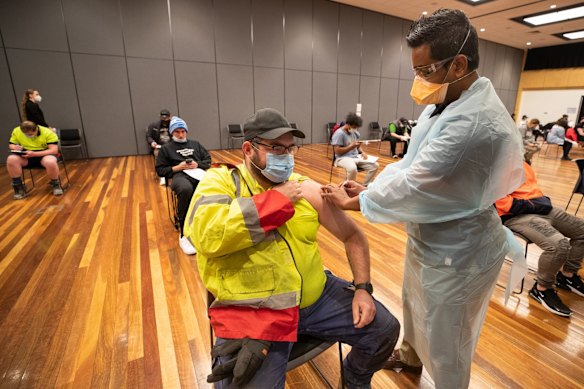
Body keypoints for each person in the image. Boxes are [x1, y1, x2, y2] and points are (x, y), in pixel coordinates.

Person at [321, 9, 524, 389]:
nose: (418, 80)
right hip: (431, 237)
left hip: (461, 251)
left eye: (425, 70)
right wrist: (371, 190)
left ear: (458, 63)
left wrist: (363, 203)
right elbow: (410, 162)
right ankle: (411, 358)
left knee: (449, 338)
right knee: (414, 305)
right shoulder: (446, 100)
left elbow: (417, 182)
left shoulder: (473, 124)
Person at [183, 108, 400, 388]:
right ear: (248, 149)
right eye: (275, 148)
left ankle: (355, 379)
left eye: (289, 148)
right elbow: (205, 235)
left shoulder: (302, 187)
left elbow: (353, 236)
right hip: (256, 315)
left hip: (316, 300)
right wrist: (274, 201)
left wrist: (362, 289)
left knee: (385, 330)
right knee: (241, 379)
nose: (285, 157)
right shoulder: (222, 182)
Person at [496, 161, 584, 316]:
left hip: (540, 209)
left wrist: (539, 204)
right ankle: (542, 288)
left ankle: (567, 276)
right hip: (516, 215)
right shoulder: (490, 166)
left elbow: (532, 191)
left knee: (582, 231)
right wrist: (537, 204)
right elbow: (502, 204)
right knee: (559, 246)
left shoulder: (521, 162)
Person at [155, 116, 211, 255]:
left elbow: (208, 160)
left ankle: (206, 222)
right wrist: (176, 168)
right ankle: (184, 232)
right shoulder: (166, 149)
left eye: (183, 131)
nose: (180, 134)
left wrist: (197, 164)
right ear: (172, 133)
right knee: (186, 190)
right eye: (177, 132)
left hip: (197, 172)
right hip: (179, 175)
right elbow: (160, 170)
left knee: (212, 186)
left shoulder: (195, 144)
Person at [7, 121, 64, 199]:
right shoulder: (17, 130)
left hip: (44, 155)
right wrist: (14, 147)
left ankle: (55, 184)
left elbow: (54, 150)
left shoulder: (47, 132)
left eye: (30, 134)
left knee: (50, 161)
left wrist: (34, 154)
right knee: (11, 159)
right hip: (27, 156)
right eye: (25, 134)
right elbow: (11, 144)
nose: (28, 136)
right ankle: (18, 187)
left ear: (36, 129)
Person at [331, 113, 379, 186]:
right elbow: (337, 151)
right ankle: (349, 188)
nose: (355, 129)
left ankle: (365, 186)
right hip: (342, 158)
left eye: (356, 127)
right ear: (348, 124)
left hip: (356, 157)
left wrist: (362, 152)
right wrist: (351, 146)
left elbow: (357, 145)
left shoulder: (355, 132)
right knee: (352, 168)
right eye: (354, 127)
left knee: (375, 165)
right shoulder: (339, 134)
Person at [147, 109, 172, 185]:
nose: (164, 119)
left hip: (171, 146)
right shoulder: (153, 125)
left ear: (169, 116)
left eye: (166, 117)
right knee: (158, 155)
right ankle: (162, 176)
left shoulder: (173, 125)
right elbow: (149, 136)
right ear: (160, 117)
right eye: (163, 117)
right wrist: (152, 142)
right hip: (159, 146)